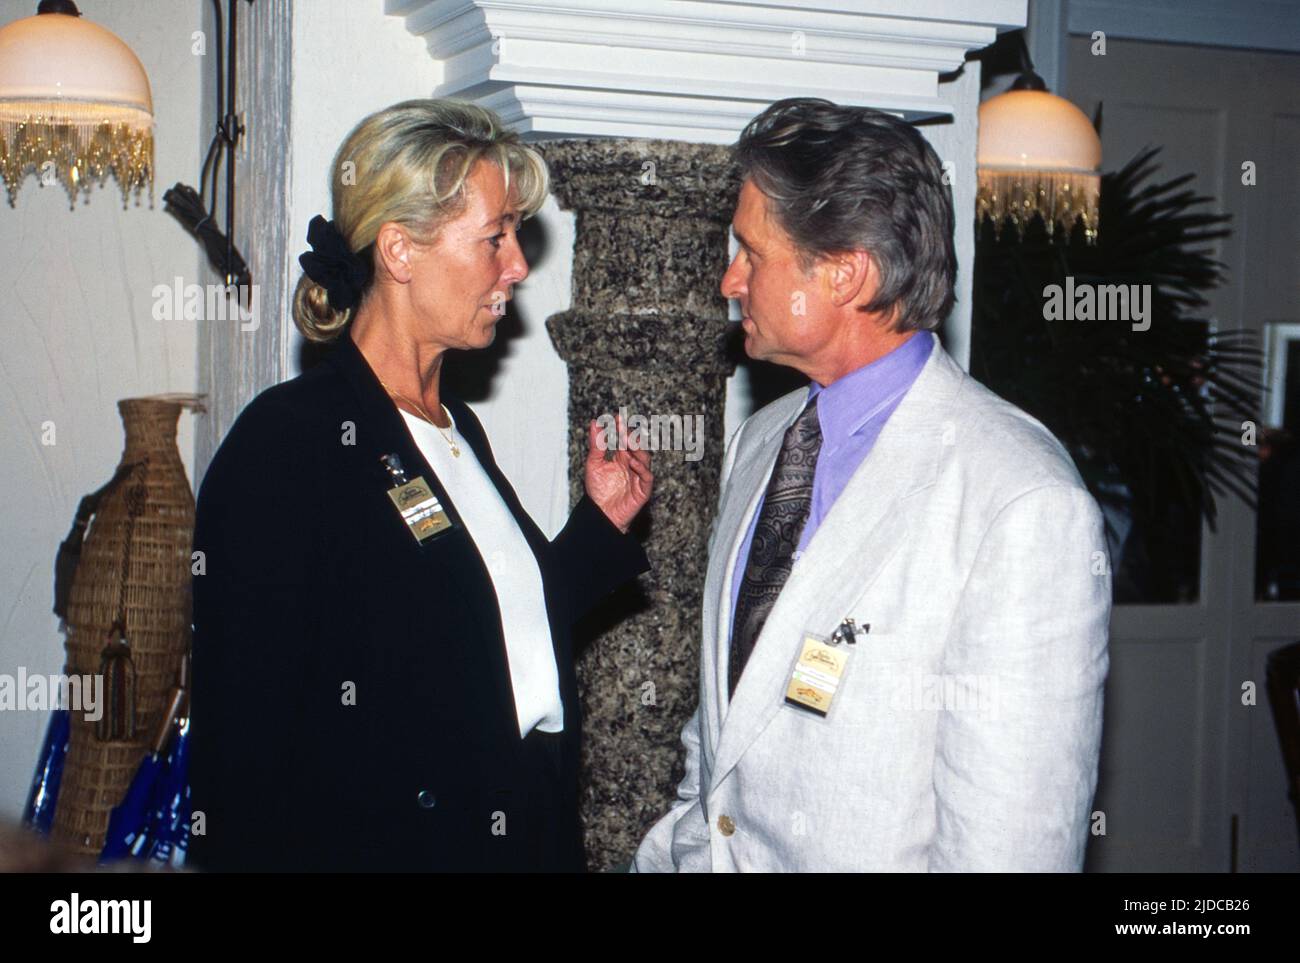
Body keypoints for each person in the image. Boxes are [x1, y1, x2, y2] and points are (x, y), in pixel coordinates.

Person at [633, 98, 1110, 872]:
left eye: (752, 254)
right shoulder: (763, 439)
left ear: (846, 272)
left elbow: (1012, 853)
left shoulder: (1021, 502)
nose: (729, 279)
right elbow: (724, 731)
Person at [188, 99, 653, 872]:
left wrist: (600, 526)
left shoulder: (455, 426)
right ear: (400, 250)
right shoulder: (290, 441)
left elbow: (479, 631)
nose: (518, 266)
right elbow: (242, 753)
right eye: (495, 236)